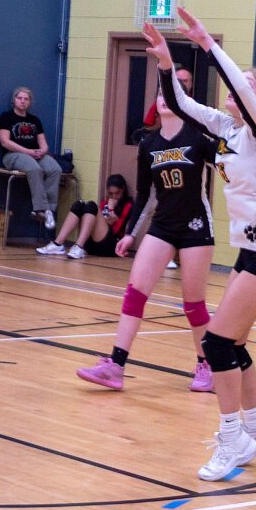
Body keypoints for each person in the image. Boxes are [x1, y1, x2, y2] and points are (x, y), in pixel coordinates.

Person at [150, 8, 256, 481]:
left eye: (248, 87)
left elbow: (236, 83)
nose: (237, 90)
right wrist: (165, 63)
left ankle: (232, 436)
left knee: (215, 342)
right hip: (251, 251)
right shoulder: (229, 127)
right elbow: (181, 106)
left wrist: (207, 44)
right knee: (232, 341)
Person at [74, 80, 219, 393]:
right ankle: (115, 366)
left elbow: (230, 164)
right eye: (160, 94)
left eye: (172, 94)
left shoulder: (199, 138)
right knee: (135, 293)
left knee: (193, 304)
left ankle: (207, 365)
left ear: (183, 102)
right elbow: (144, 194)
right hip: (162, 226)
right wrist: (130, 234)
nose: (164, 99)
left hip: (195, 226)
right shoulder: (148, 144)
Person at [0, 86, 61, 231]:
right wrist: (28, 152)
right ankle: (40, 209)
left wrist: (42, 151)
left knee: (55, 169)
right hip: (13, 155)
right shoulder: (6, 117)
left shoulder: (34, 120)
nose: (22, 101)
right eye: (19, 98)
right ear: (14, 100)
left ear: (30, 102)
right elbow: (5, 142)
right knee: (34, 168)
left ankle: (49, 210)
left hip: (34, 154)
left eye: (26, 99)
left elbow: (43, 144)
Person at [36, 173, 133, 259]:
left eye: (117, 193)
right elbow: (98, 223)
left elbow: (116, 230)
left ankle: (79, 246)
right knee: (80, 204)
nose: (114, 197)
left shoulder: (128, 205)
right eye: (111, 194)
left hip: (111, 246)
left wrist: (111, 210)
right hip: (91, 245)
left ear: (123, 190)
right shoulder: (104, 203)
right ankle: (58, 244)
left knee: (92, 205)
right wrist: (107, 219)